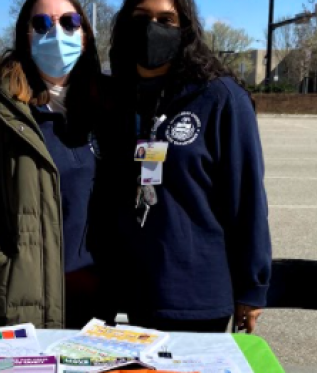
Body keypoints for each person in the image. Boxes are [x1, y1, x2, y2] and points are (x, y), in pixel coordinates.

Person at [91, 0, 272, 333]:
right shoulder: (115, 98)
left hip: (196, 296)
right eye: (141, 18)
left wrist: (252, 285)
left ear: (185, 27)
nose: (151, 28)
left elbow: (247, 198)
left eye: (166, 19)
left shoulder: (220, 98)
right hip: (132, 291)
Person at [0, 0, 103, 329]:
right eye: (43, 24)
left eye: (70, 22)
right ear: (26, 36)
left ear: (85, 35)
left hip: (93, 297)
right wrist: (2, 267)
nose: (58, 33)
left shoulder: (103, 105)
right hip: (23, 299)